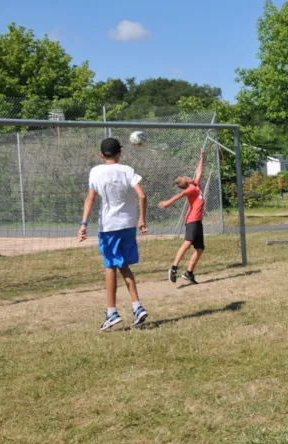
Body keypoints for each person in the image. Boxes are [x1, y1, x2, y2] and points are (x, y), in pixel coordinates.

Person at [78, 138, 150, 330]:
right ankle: (137, 306)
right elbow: (142, 195)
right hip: (128, 225)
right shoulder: (127, 170)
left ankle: (112, 313)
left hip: (109, 227)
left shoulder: (96, 171)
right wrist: (142, 220)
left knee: (110, 267)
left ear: (101, 155)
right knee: (123, 264)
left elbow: (90, 198)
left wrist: (83, 224)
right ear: (120, 153)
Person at [159, 148, 206, 285]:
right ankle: (173, 268)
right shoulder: (191, 188)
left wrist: (202, 157)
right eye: (187, 177)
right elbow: (180, 195)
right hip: (192, 220)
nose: (190, 176)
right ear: (187, 181)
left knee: (200, 249)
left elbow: (199, 171)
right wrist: (168, 202)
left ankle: (188, 273)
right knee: (187, 243)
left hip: (197, 221)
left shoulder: (195, 185)